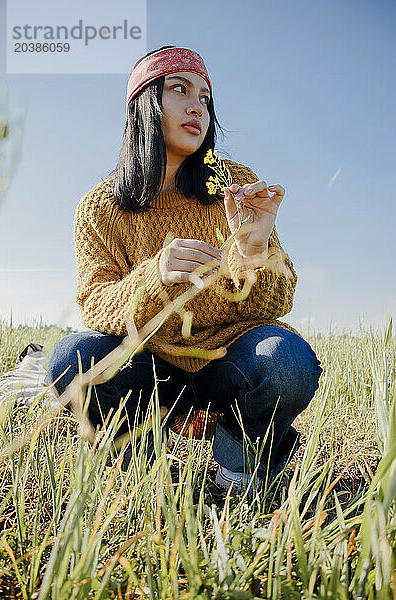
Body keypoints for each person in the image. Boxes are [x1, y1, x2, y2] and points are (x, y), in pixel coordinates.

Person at [46, 45, 323, 492]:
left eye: (206, 99)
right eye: (180, 89)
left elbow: (279, 299)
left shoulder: (230, 181)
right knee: (71, 359)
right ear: (143, 104)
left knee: (286, 362)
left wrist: (253, 249)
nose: (198, 107)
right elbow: (95, 305)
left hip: (230, 362)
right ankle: (147, 472)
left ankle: (238, 469)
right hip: (151, 368)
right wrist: (152, 277)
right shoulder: (100, 208)